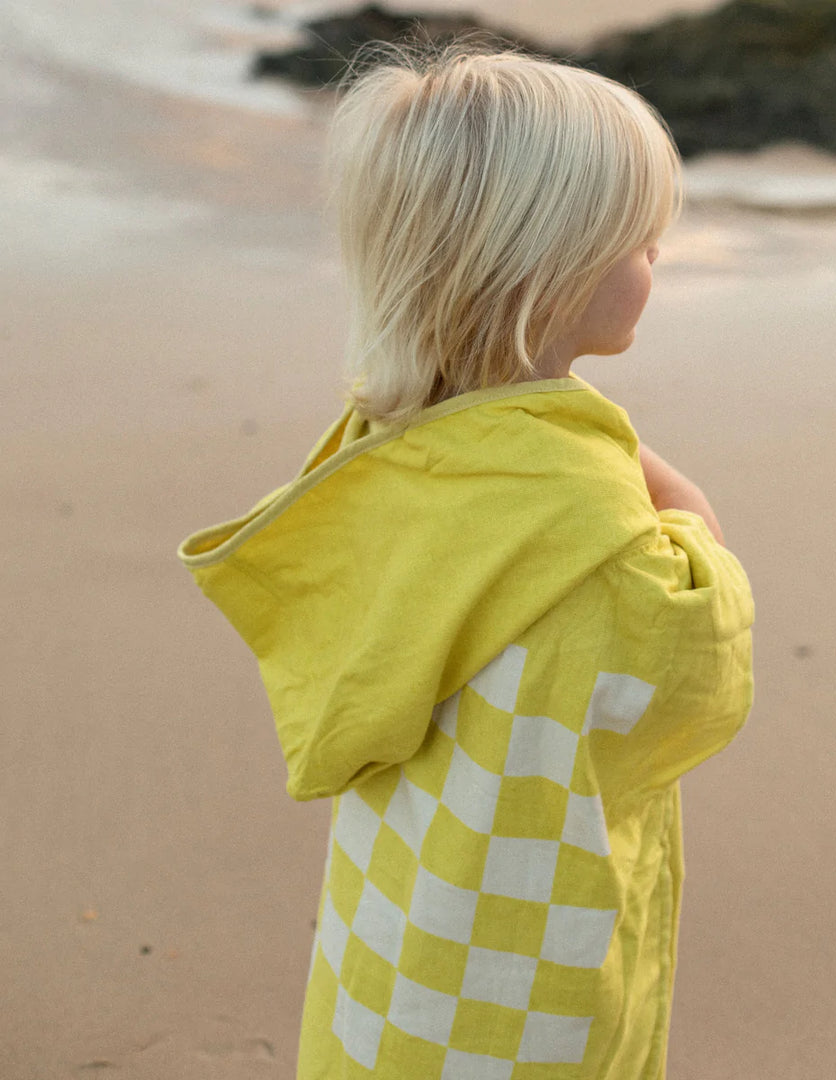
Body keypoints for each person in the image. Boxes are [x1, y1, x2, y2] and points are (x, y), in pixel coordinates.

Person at [178, 42, 753, 1080]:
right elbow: (693, 676)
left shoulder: (386, 450)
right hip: (520, 978)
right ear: (547, 265)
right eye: (638, 241)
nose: (656, 261)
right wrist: (668, 491)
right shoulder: (594, 529)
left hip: (402, 932)